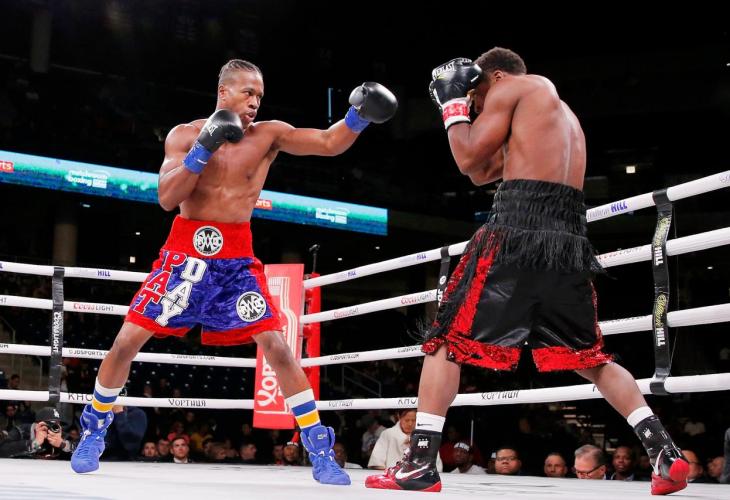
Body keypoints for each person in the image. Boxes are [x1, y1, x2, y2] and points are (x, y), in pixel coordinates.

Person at [365, 47, 688, 495]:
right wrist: (463, 115)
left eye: (478, 99)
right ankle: (664, 452)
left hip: (517, 232)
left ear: (495, 77)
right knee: (589, 357)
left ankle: (419, 464)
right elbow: (481, 173)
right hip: (567, 242)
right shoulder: (561, 117)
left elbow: (465, 158)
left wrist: (453, 106)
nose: (478, 109)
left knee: (445, 343)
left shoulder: (514, 87)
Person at [70, 58, 397, 487]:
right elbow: (167, 197)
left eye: (259, 95)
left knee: (277, 346)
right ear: (223, 92)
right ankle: (93, 432)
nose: (255, 102)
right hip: (184, 254)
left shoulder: (268, 135)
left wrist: (358, 117)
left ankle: (319, 450)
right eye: (248, 92)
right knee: (126, 341)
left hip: (237, 261)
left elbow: (328, 142)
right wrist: (203, 149)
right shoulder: (185, 134)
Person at [0, 406, 75, 459]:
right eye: (49, 424)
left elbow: (80, 448)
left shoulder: (59, 434)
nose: (53, 428)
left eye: (56, 425)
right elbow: (2, 449)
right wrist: (33, 443)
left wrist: (63, 444)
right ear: (37, 424)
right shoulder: (21, 431)